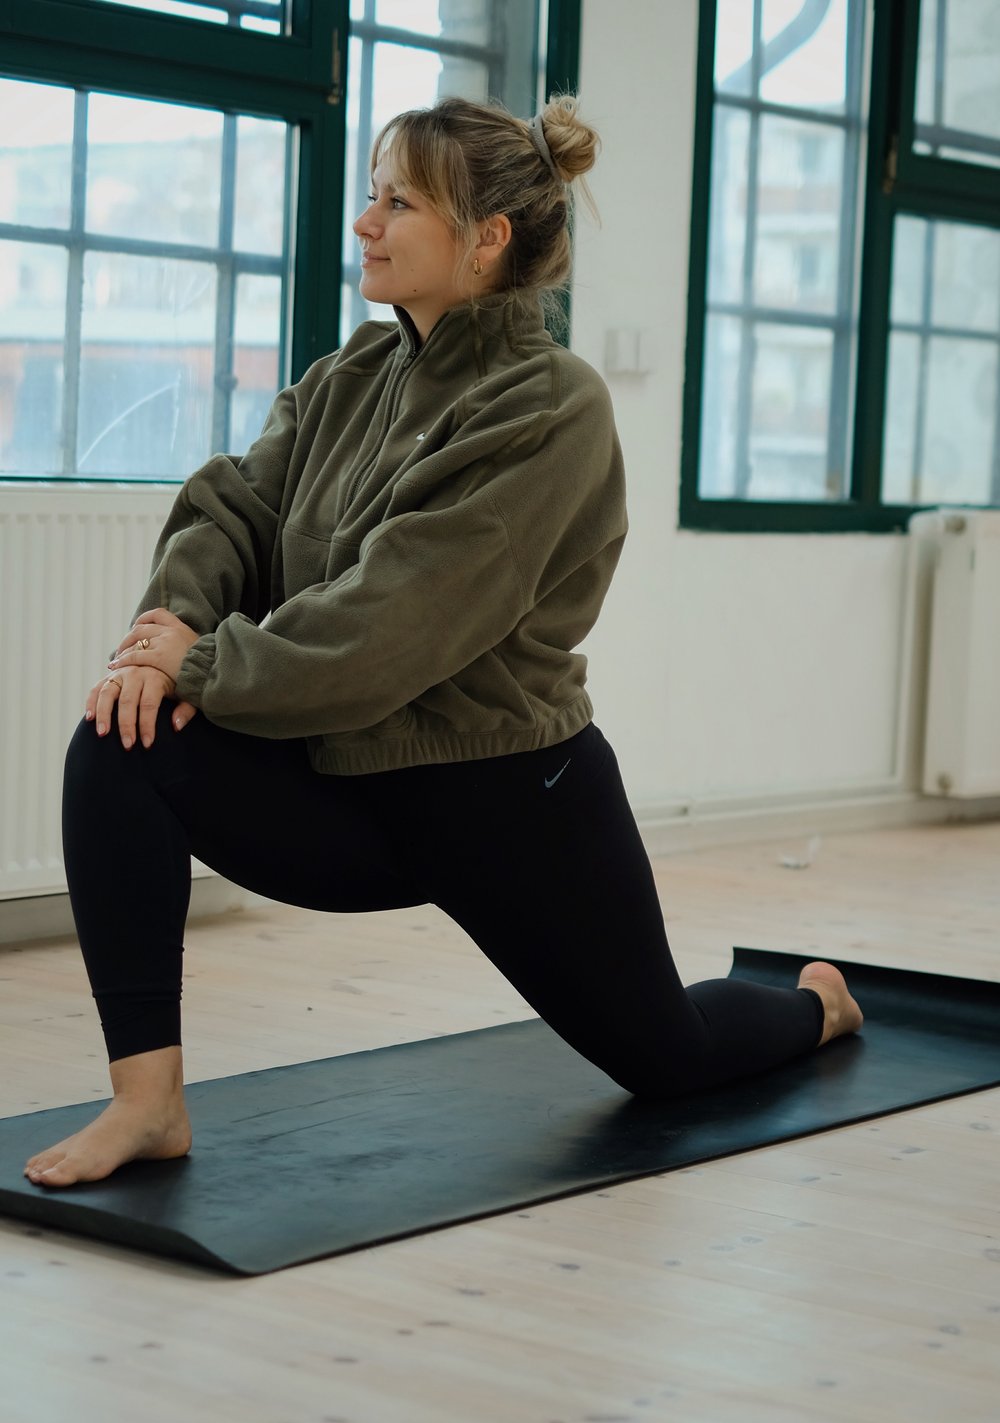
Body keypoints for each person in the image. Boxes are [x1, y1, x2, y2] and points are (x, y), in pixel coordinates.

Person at [24, 95, 862, 1189]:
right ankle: (148, 1102)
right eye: (372, 195)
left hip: (508, 801)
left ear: (486, 239)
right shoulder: (350, 378)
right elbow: (235, 508)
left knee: (672, 1060)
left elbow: (393, 623)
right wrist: (168, 630)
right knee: (118, 742)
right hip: (346, 783)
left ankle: (818, 1003)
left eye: (396, 201)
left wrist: (202, 663)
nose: (366, 222)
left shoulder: (551, 406)